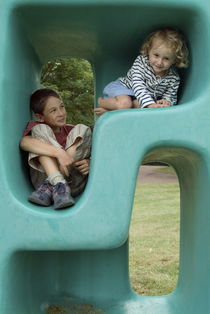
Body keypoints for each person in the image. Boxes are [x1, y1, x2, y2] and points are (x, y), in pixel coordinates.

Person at [20, 88, 92, 210]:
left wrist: (90, 162)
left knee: (83, 128)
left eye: (62, 107)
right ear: (40, 117)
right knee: (40, 134)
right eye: (53, 110)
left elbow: (94, 152)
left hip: (73, 183)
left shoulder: (72, 131)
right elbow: (24, 142)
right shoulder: (38, 128)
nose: (61, 113)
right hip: (44, 190)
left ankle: (60, 185)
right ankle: (58, 182)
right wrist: (59, 152)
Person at [94, 27, 189, 115]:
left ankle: (112, 110)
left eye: (166, 58)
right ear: (148, 51)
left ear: (175, 60)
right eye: (156, 55)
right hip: (125, 87)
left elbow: (171, 95)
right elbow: (137, 84)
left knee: (139, 105)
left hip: (140, 98)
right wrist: (150, 104)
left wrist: (166, 101)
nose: (159, 62)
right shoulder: (142, 62)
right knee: (125, 104)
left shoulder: (174, 77)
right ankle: (102, 102)